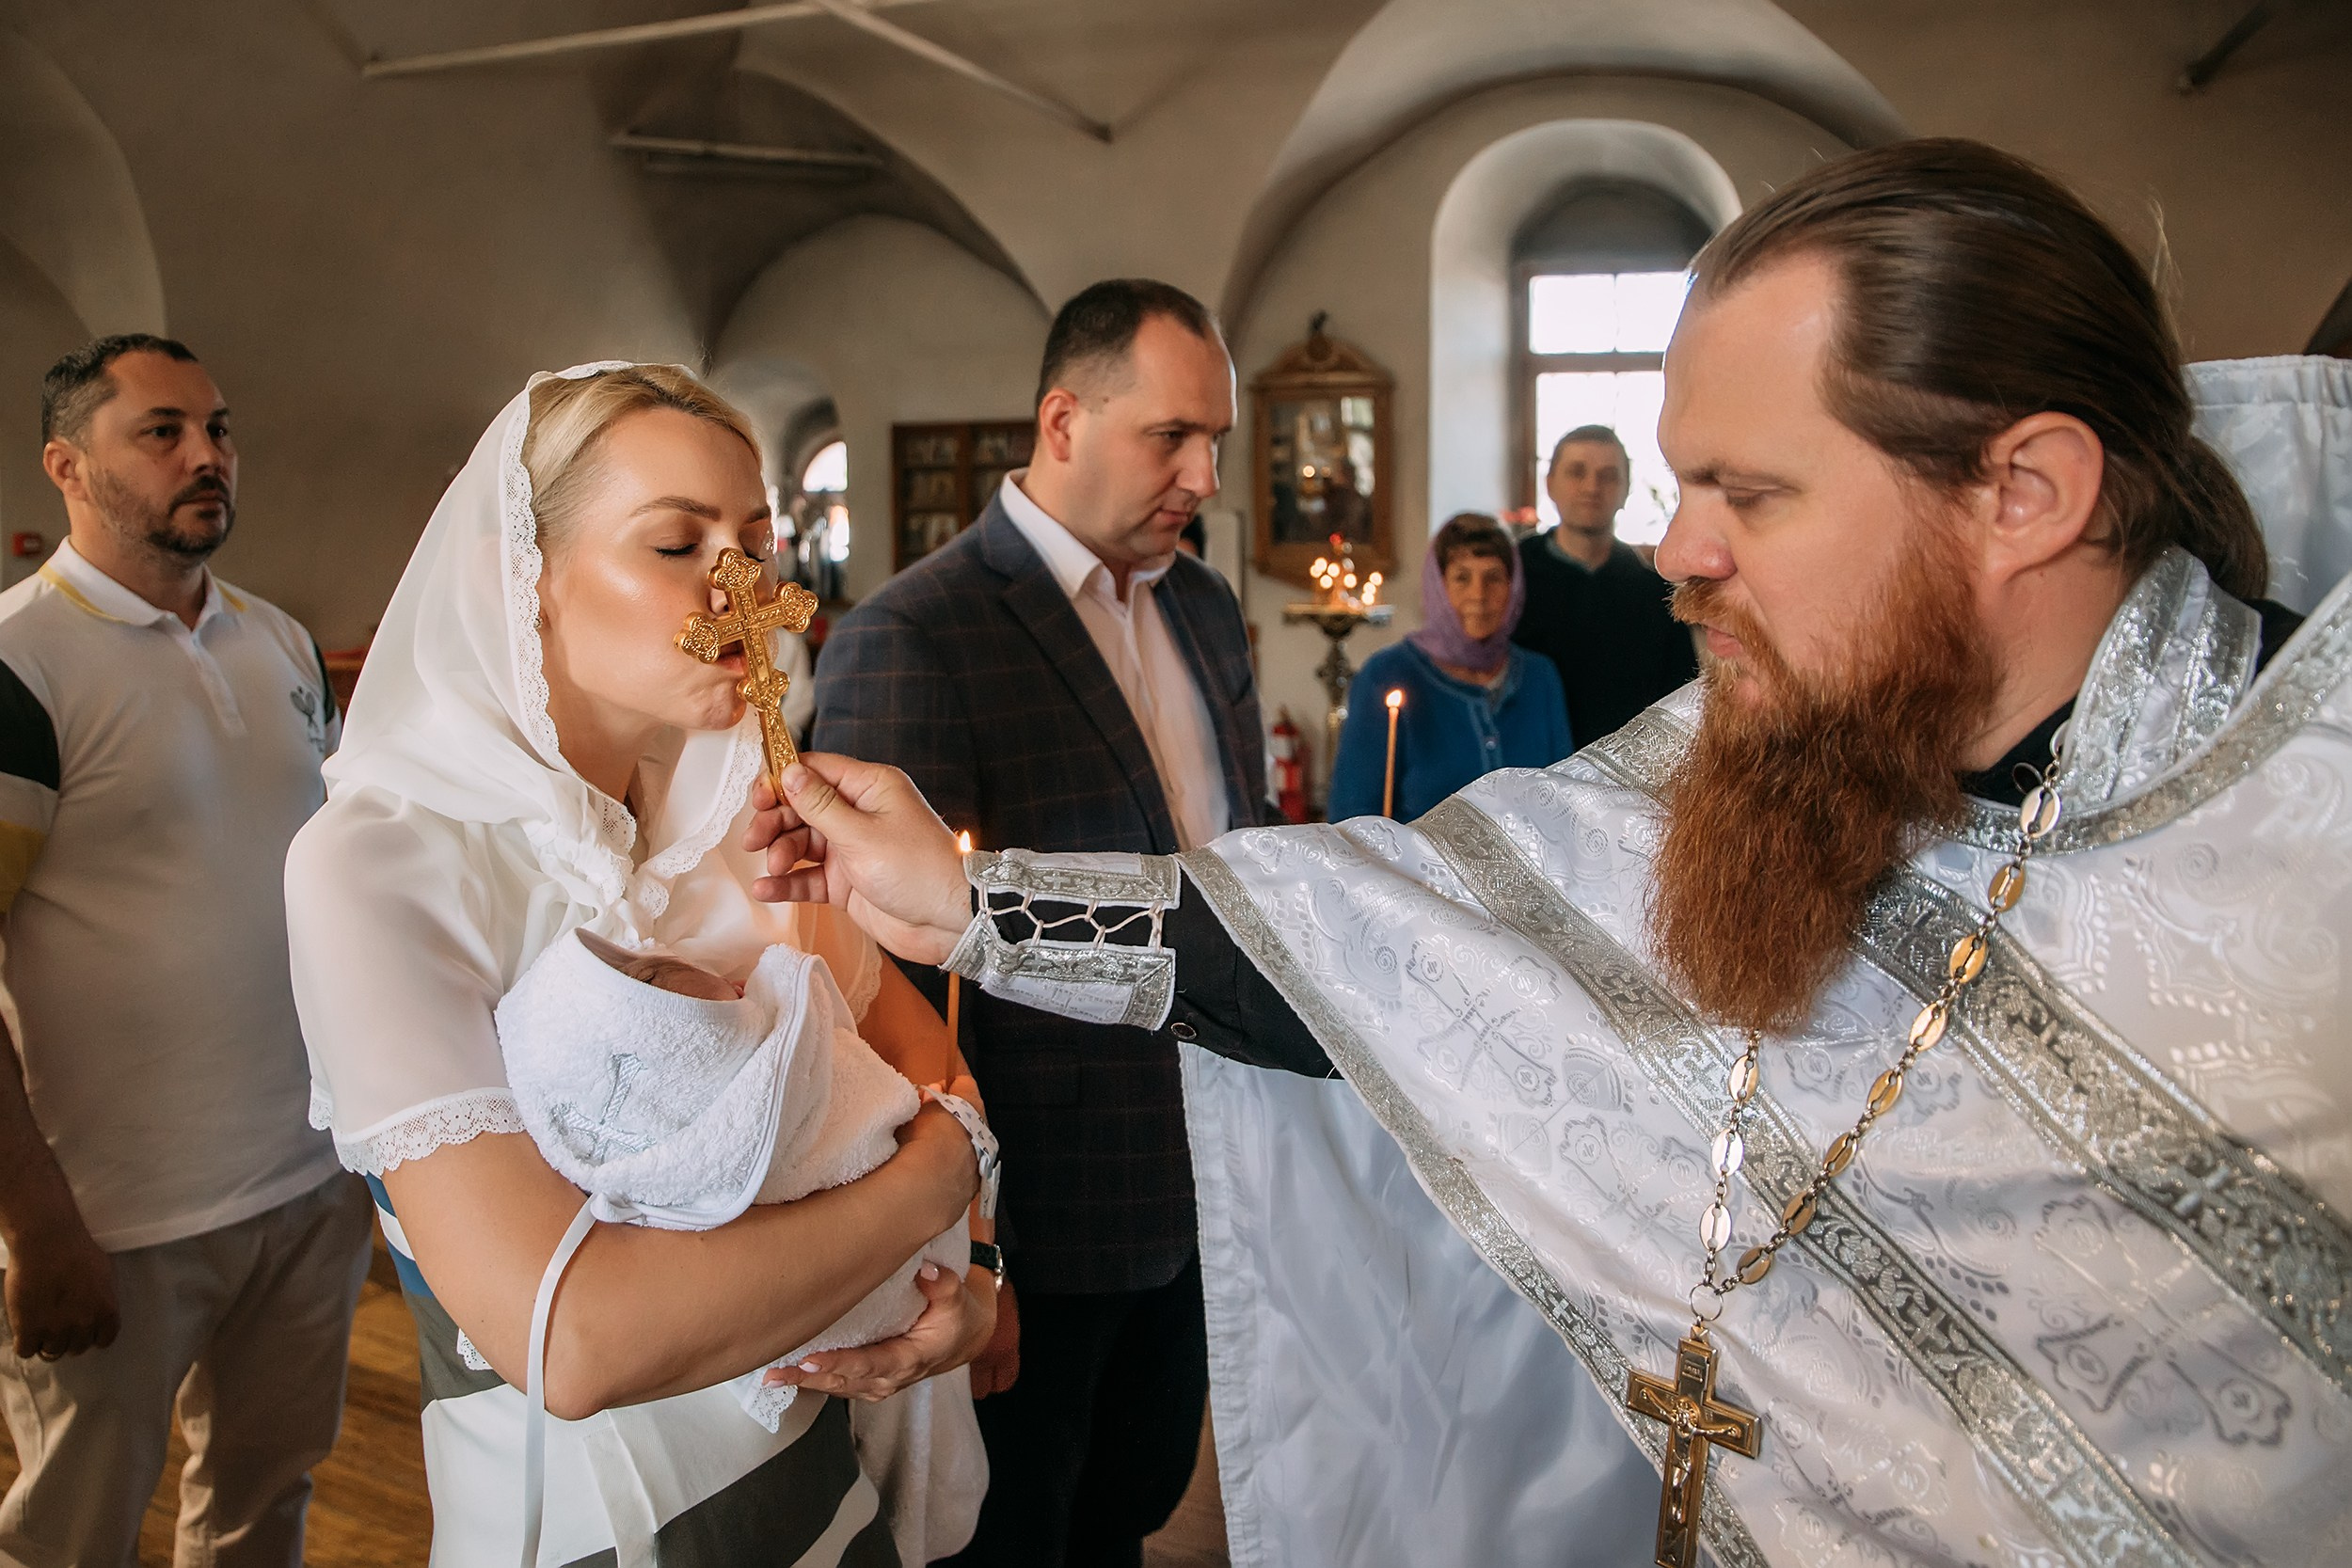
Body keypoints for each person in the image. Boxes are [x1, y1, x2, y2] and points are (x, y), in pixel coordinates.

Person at [748, 140, 2352, 1566]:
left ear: (2024, 491)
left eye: (1750, 493)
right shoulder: (1765, 765)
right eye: (1675, 484)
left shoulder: (2308, 844)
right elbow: (1376, 945)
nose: (1673, 553)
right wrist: (968, 903)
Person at [282, 363, 994, 1567]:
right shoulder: (377, 862)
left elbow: (921, 1059)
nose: (746, 586)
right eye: (677, 542)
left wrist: (971, 1270)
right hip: (594, 1521)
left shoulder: (746, 814)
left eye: (759, 542)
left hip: (825, 1473)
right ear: (531, 579)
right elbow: (574, 1341)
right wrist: (934, 1188)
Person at [811, 278, 1270, 1568]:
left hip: (1202, 1170)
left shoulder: (1203, 605)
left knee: (1127, 1511)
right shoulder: (921, 632)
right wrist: (973, 1248)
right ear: (1063, 419)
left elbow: (1235, 866)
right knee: (1013, 1539)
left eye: (1217, 443)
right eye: (1172, 437)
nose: (1206, 475)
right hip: (1037, 1216)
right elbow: (878, 984)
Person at [0, 335, 373, 1566]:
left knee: (266, 1506)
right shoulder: (20, 666)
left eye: (217, 428)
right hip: (113, 1212)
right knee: (74, 1534)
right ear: (67, 463)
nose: (207, 455)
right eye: (161, 431)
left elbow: (332, 886)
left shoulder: (279, 642)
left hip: (306, 1180)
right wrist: (37, 1222)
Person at [1327, 512, 1569, 820]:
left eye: (1493, 578)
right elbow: (1352, 816)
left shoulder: (1540, 677)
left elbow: (1565, 804)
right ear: (1438, 587)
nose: (1479, 595)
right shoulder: (1385, 676)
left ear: (1514, 587)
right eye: (1462, 578)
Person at [1513, 424, 1698, 746]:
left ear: (1626, 490)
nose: (1591, 487)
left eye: (1608, 475)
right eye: (1577, 472)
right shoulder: (1510, 582)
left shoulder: (1656, 595)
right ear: (1550, 484)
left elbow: (1680, 703)